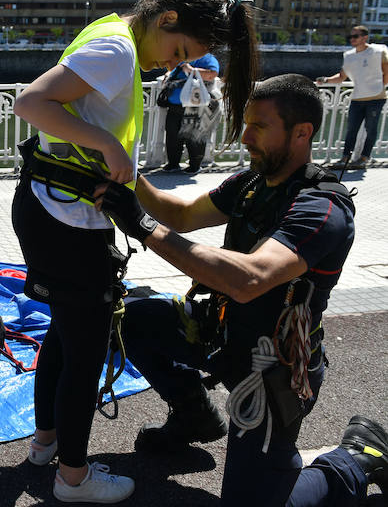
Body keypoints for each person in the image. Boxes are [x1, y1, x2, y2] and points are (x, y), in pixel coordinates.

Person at [11, 0, 258, 503]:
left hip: (49, 206)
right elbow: (30, 101)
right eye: (179, 53)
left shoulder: (111, 32)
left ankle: (45, 443)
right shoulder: (118, 50)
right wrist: (104, 142)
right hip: (70, 221)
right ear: (166, 19)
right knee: (84, 351)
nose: (173, 66)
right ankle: (72, 478)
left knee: (63, 334)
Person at [97, 74, 375, 505]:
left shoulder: (322, 208)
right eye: (245, 123)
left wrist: (143, 227)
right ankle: (194, 415)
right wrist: (125, 173)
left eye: (259, 127)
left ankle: (354, 458)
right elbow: (183, 213)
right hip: (221, 335)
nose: (244, 137)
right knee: (127, 322)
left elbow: (249, 279)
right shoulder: (251, 184)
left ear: (302, 133)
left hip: (273, 363)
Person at [316, 25, 388, 170]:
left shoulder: (378, 51)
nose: (352, 39)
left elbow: (387, 72)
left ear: (365, 37)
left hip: (376, 98)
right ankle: (345, 158)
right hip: (357, 98)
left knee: (371, 128)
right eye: (351, 37)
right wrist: (326, 80)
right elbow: (342, 77)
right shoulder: (349, 56)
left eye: (355, 36)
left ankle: (364, 158)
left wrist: (380, 88)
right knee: (351, 129)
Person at [160, 52, 220, 174]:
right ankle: (173, 163)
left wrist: (192, 70)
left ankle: (195, 165)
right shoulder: (180, 57)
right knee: (172, 136)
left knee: (194, 137)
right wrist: (167, 75)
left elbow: (212, 74)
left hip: (194, 106)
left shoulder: (206, 57)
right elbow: (172, 70)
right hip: (175, 105)